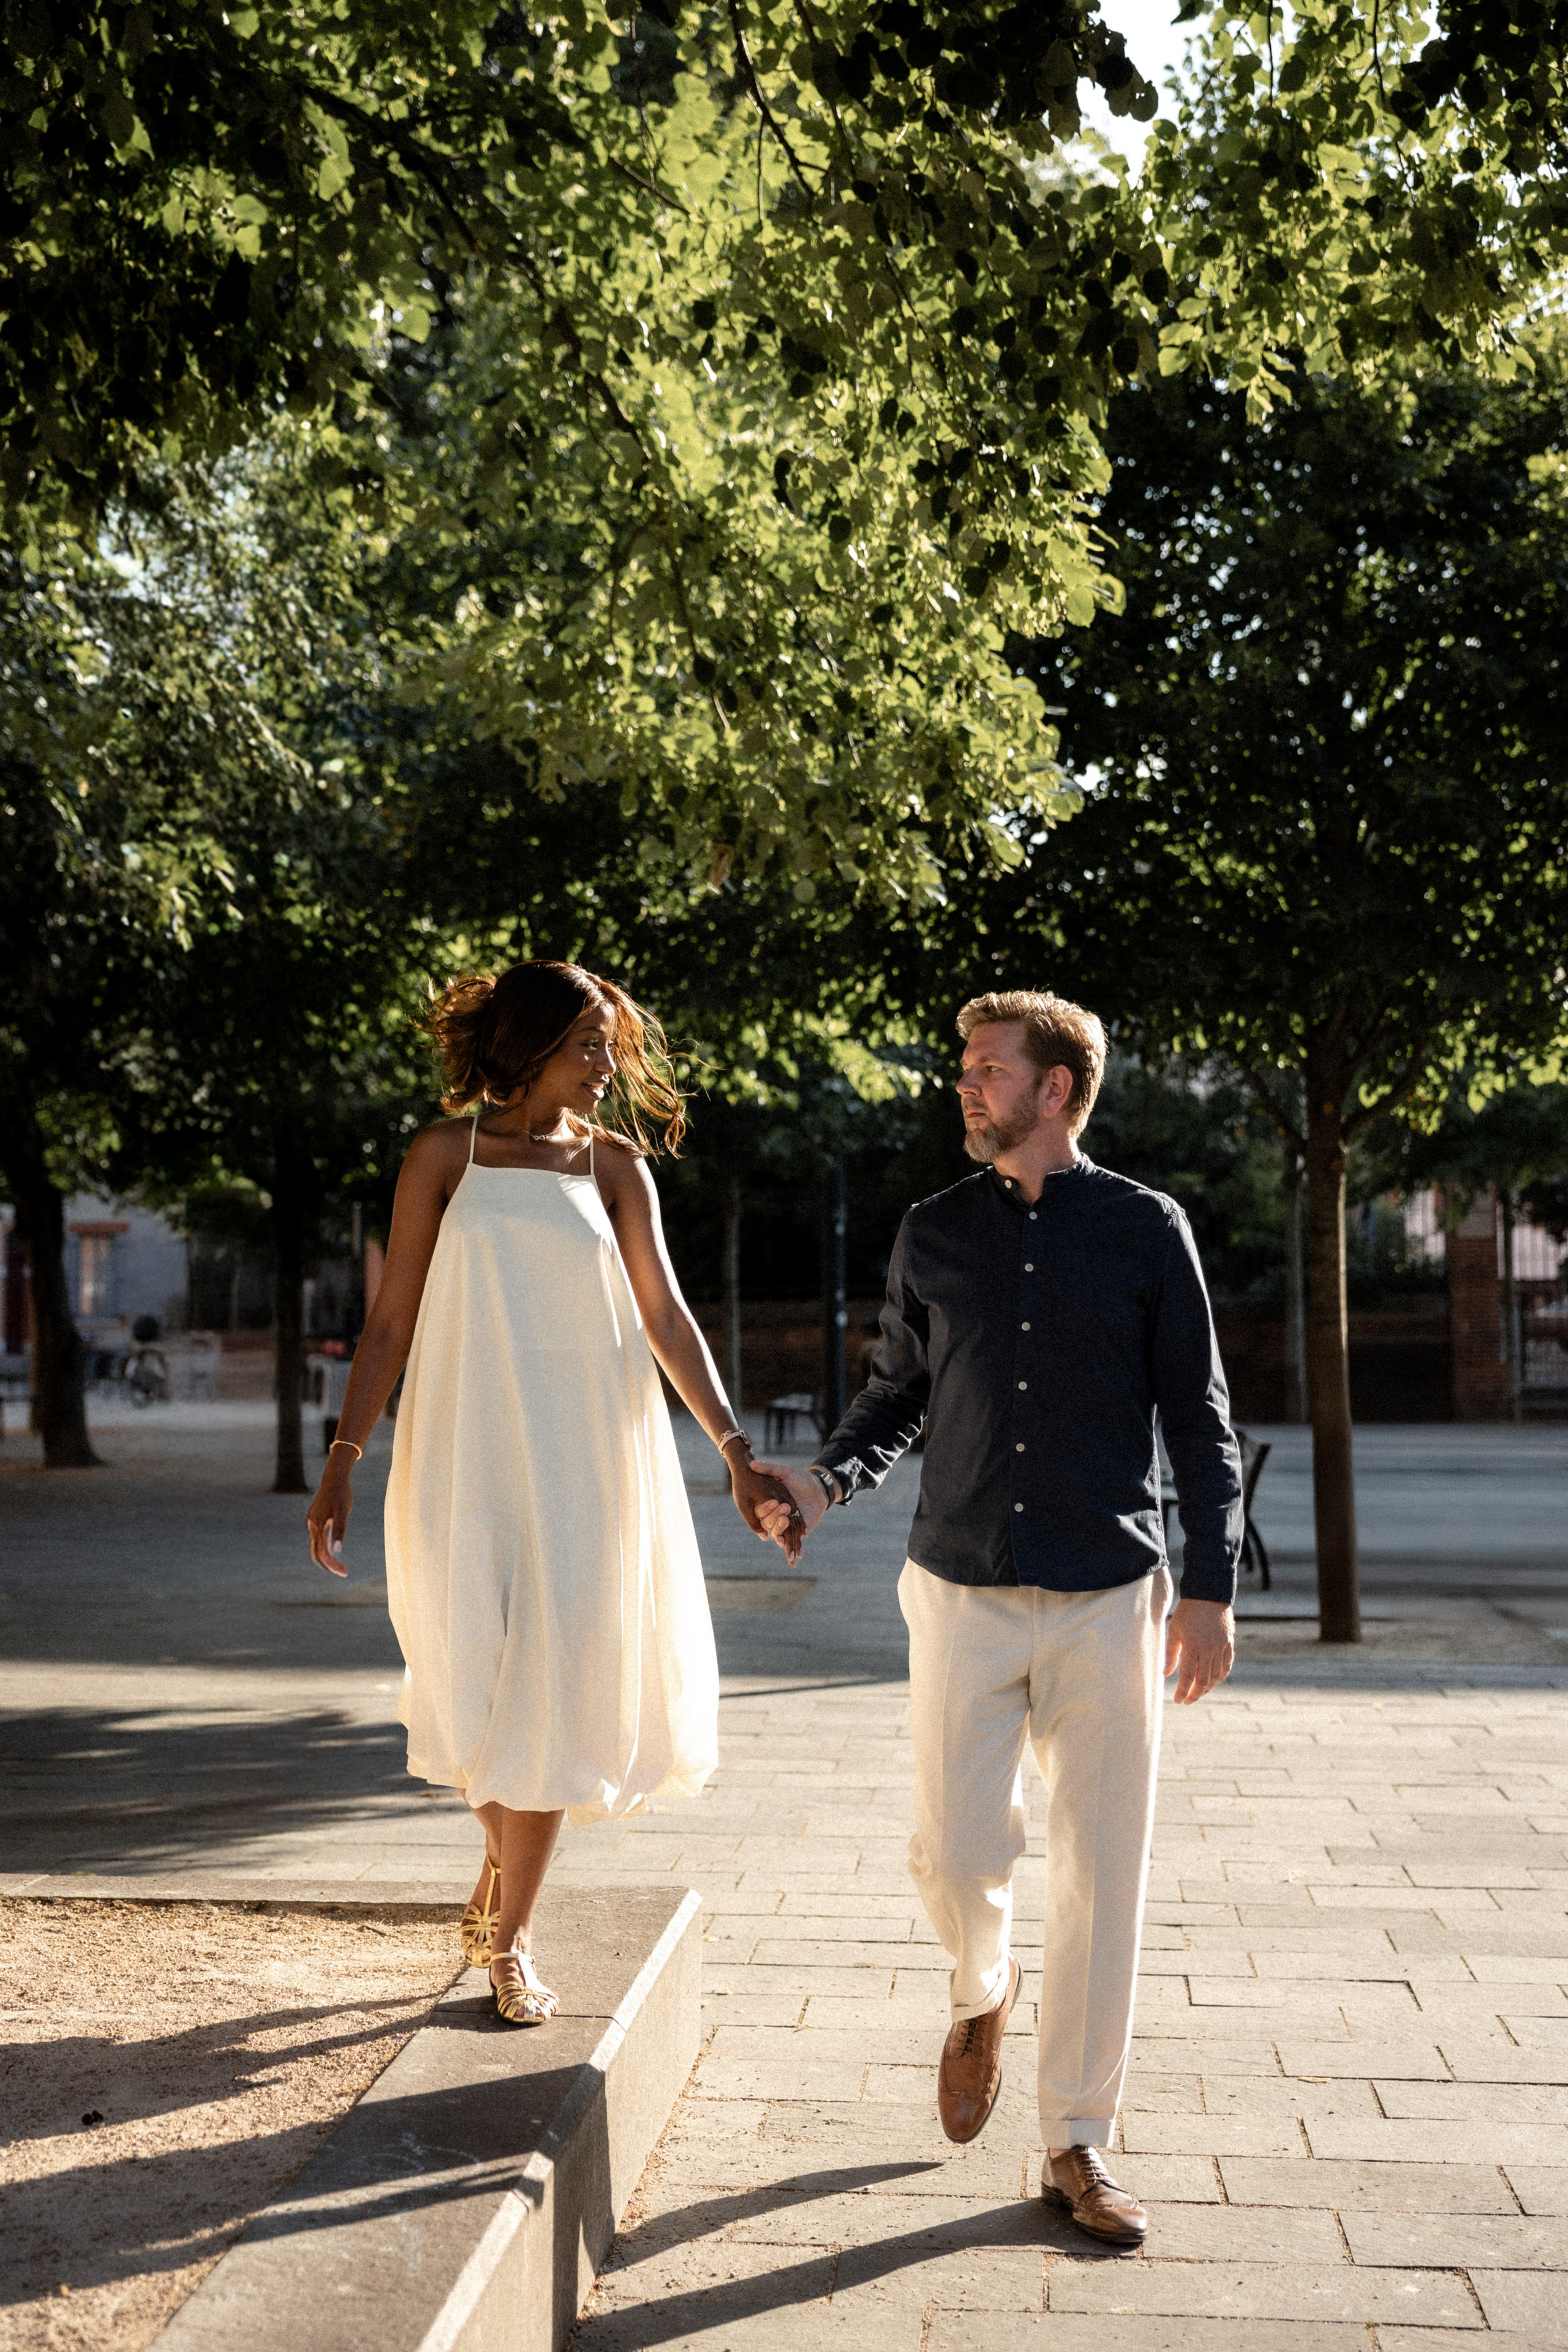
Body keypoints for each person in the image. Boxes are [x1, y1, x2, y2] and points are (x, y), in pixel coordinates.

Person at [755, 989, 1242, 2245]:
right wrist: (825, 1477)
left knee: (1099, 1874)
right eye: (963, 1069)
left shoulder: (1146, 1230)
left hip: (1106, 1596)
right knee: (953, 1851)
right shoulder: (932, 1231)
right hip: (959, 1581)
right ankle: (981, 1984)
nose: (962, 1087)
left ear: (1056, 1088)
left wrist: (1207, 1587)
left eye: (985, 1071)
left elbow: (1196, 1416)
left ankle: (1076, 2142)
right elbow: (892, 1395)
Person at [307, 960, 796, 2026]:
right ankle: (501, 1872)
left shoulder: (616, 1167)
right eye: (589, 1046)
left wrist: (734, 1448)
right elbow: (391, 1321)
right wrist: (343, 1456)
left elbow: (666, 1317)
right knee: (472, 1670)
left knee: (552, 1679)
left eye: (611, 1045)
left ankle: (513, 1938)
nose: (607, 1064)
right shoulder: (445, 1155)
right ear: (530, 1048)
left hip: (588, 1456)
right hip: (465, 1447)